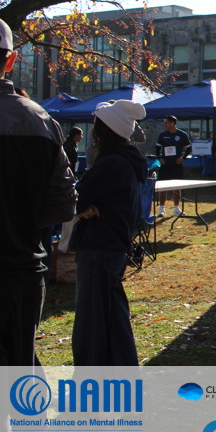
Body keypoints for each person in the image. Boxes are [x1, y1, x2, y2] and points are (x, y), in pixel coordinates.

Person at [0, 18, 77, 365]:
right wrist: (23, 221)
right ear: (11, 60)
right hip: (22, 270)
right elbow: (64, 203)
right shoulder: (40, 120)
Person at [69, 100, 147, 365]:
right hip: (112, 247)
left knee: (91, 321)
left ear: (106, 132)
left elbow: (74, 197)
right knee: (112, 315)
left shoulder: (111, 164)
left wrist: (80, 206)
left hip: (97, 247)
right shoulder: (126, 162)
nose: (93, 134)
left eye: (97, 128)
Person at [155, 115, 191, 217]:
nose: (164, 124)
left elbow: (189, 148)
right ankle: (161, 209)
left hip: (176, 165)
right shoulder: (163, 135)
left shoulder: (182, 134)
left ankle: (176, 208)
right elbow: (157, 148)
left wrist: (183, 158)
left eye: (166, 122)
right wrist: (160, 158)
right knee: (163, 186)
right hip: (165, 165)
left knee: (176, 186)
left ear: (172, 123)